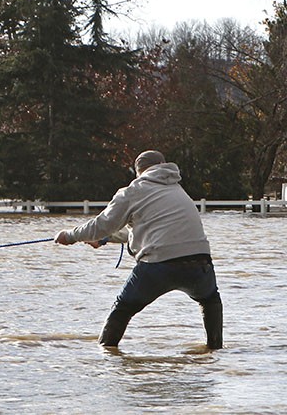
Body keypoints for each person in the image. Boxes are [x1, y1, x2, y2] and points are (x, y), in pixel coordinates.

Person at [54, 150, 223, 349]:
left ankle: (106, 353)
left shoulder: (133, 191)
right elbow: (149, 230)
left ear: (138, 171)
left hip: (158, 265)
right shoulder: (177, 190)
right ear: (163, 166)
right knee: (210, 300)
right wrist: (105, 239)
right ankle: (215, 350)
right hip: (200, 263)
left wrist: (70, 235)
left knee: (122, 309)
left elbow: (102, 225)